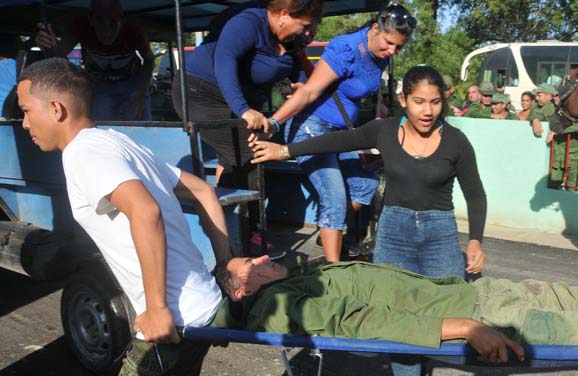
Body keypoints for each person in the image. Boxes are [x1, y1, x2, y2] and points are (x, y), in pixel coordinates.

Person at [251, 65, 487, 376]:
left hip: (441, 232)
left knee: (450, 312)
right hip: (393, 233)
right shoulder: (384, 130)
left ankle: (423, 364)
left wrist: (475, 239)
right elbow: (338, 141)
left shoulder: (456, 141)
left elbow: (475, 193)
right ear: (404, 100)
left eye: (436, 102)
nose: (428, 111)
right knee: (393, 321)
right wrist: (285, 149)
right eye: (420, 102)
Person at [18, 57, 231, 376]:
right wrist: (225, 263)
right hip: (203, 309)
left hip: (175, 323)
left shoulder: (83, 154)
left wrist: (155, 308)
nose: (25, 124)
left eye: (27, 112)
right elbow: (204, 190)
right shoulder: (115, 141)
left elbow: (145, 211)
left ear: (56, 109)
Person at [213, 254, 578, 356]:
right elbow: (374, 322)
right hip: (483, 313)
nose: (259, 257)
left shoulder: (305, 274)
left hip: (478, 292)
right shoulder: (281, 307)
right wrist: (468, 326)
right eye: (248, 264)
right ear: (243, 290)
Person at [254, 3, 416, 263]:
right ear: (374, 28)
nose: (392, 51)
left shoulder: (381, 55)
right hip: (312, 128)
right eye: (388, 43)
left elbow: (356, 88)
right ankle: (334, 270)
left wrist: (379, 105)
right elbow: (309, 91)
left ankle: (330, 228)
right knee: (335, 199)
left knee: (365, 185)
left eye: (399, 47)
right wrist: (274, 122)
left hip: (343, 131)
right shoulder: (347, 48)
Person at [174, 0, 323, 260]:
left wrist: (300, 84)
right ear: (285, 15)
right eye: (305, 26)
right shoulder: (249, 22)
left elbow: (297, 69)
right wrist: (243, 109)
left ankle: (224, 230)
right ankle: (250, 236)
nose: (307, 33)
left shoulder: (289, 40)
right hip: (200, 92)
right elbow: (224, 59)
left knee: (242, 156)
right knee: (251, 151)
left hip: (238, 103)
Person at [34, 0, 154, 121]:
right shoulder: (80, 27)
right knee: (101, 123)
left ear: (121, 22)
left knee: (141, 121)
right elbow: (58, 56)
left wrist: (142, 93)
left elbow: (149, 60)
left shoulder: (134, 31)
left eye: (112, 24)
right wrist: (49, 46)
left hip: (132, 83)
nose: (106, 31)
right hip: (100, 84)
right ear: (91, 20)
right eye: (100, 22)